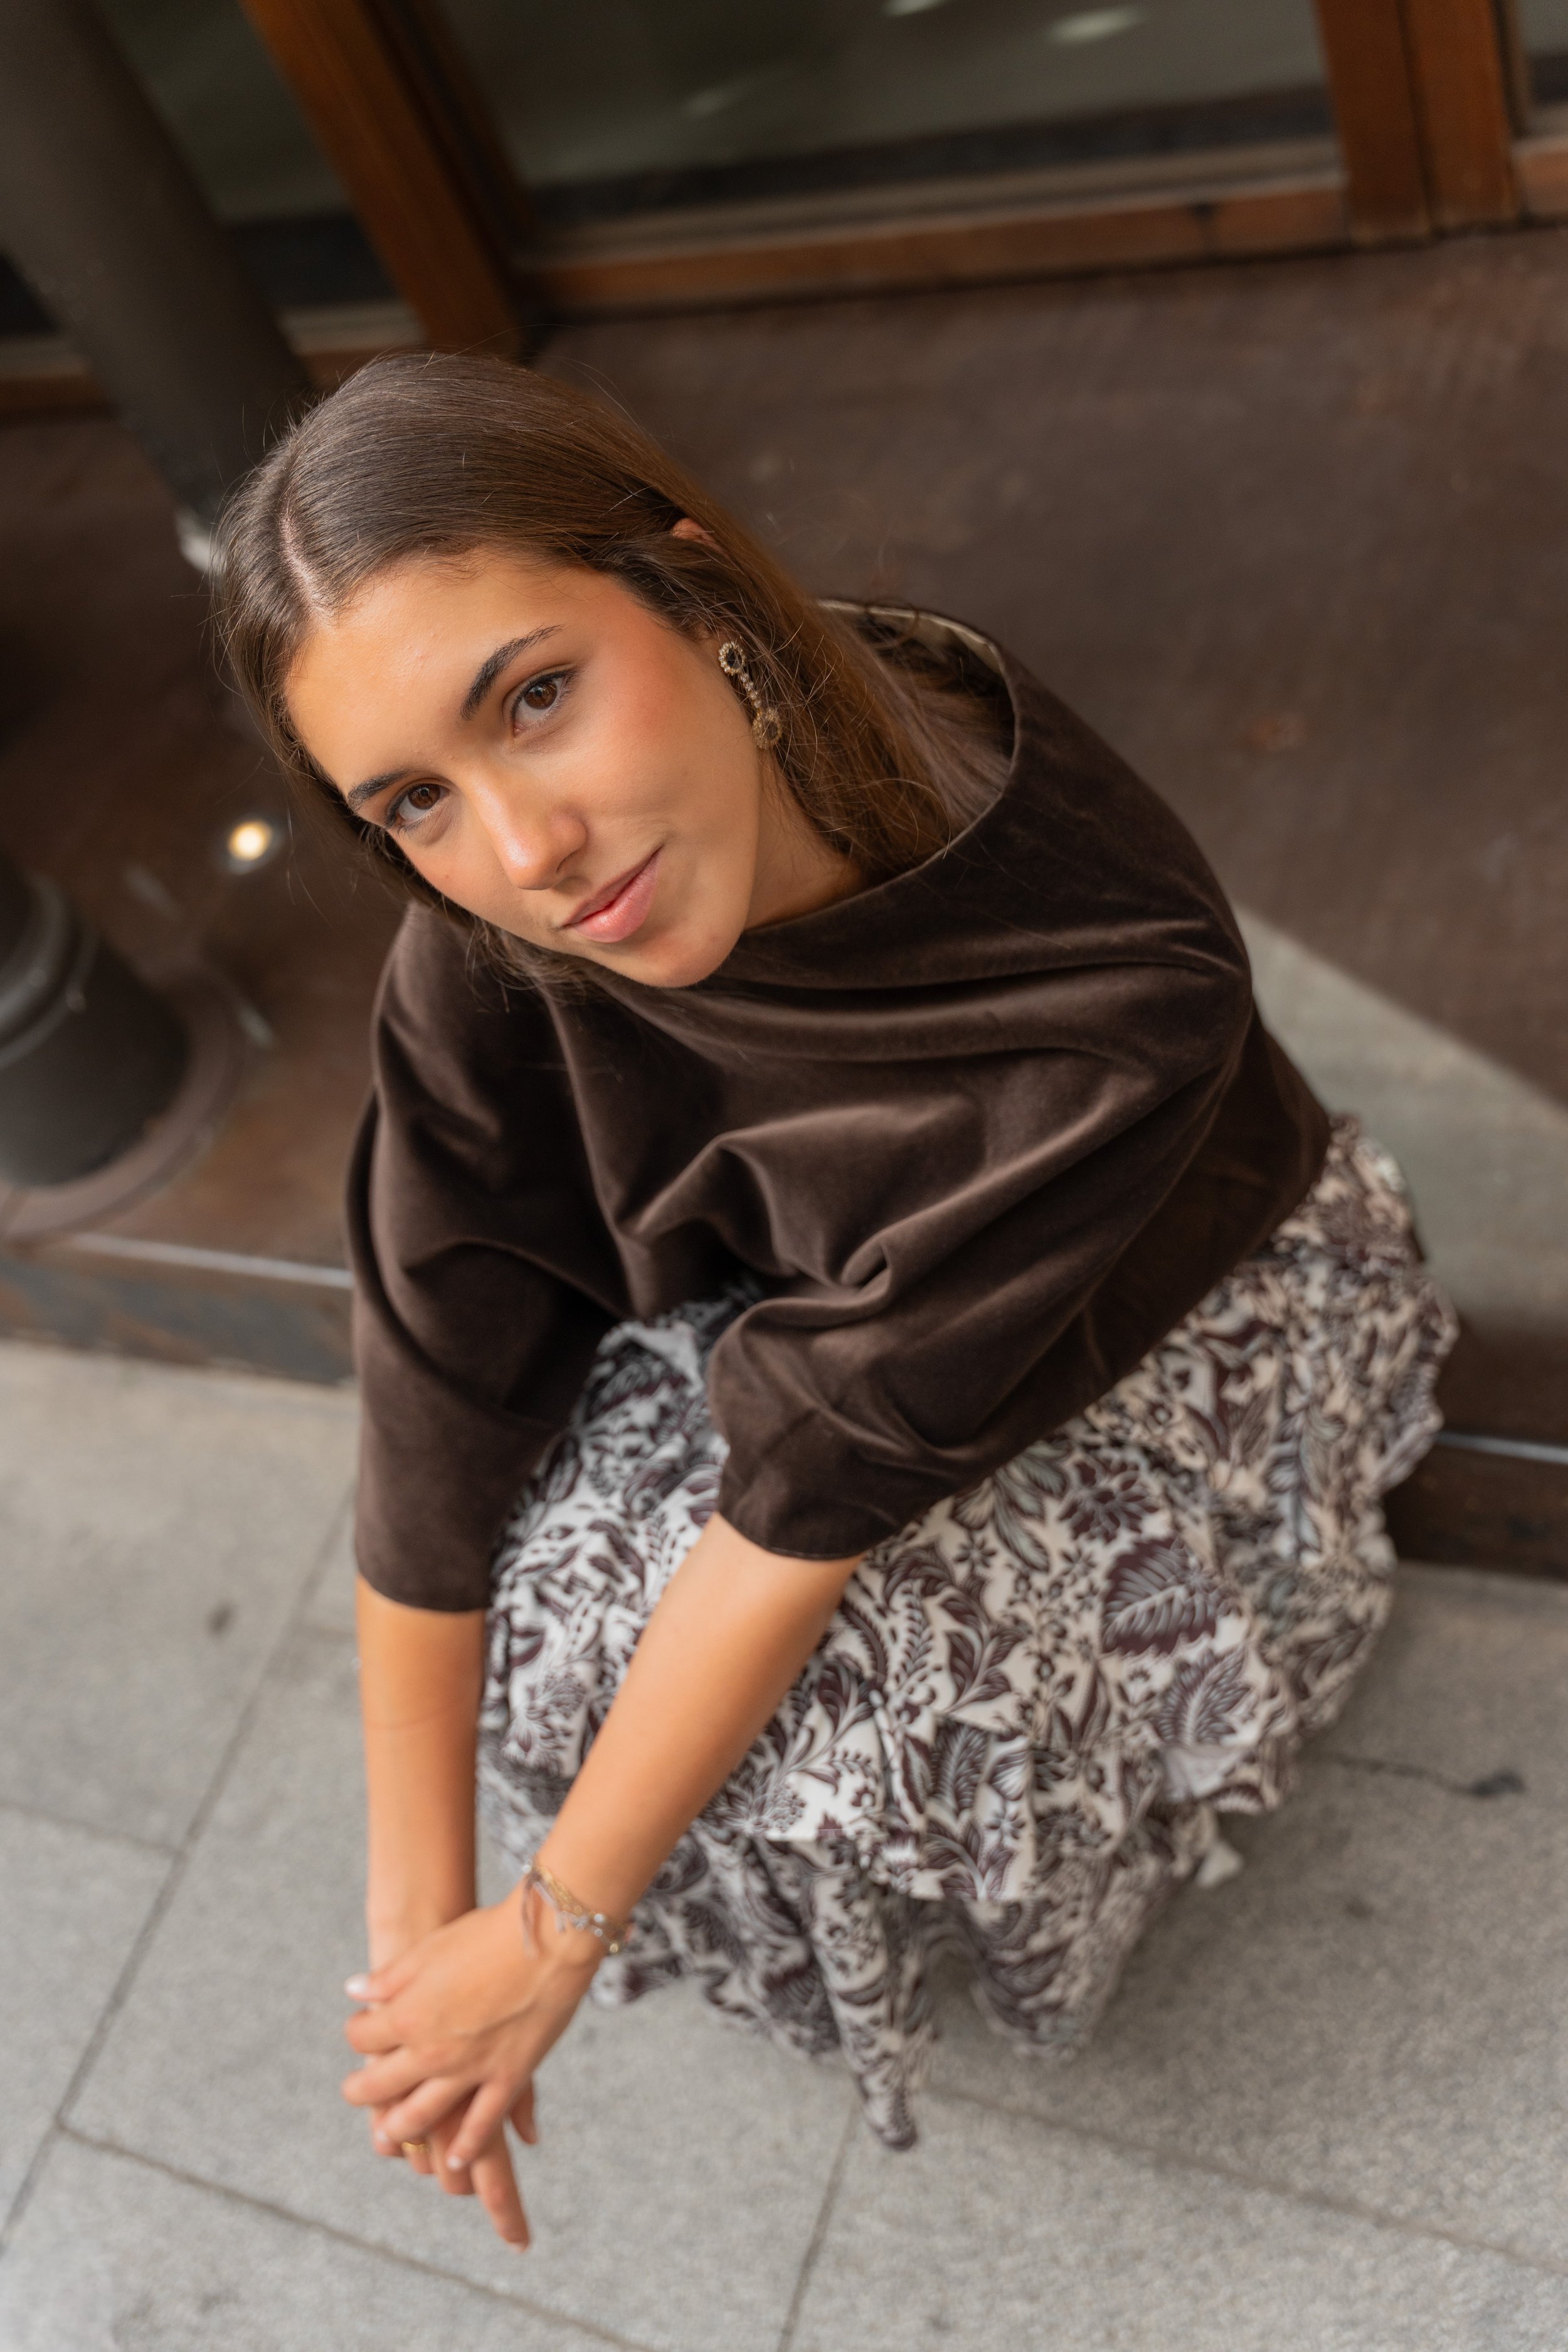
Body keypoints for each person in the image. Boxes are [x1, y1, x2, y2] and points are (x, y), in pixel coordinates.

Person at [215, 351, 1455, 2252]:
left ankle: (1048, 1880)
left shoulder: (1110, 981)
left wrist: (549, 1933)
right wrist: (419, 1945)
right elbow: (439, 1359)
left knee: (844, 1698)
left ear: (697, 590)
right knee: (542, 1595)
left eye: (536, 696)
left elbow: (816, 1495)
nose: (525, 852)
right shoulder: (496, 921)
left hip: (1127, 1314)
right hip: (800, 1318)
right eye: (415, 799)